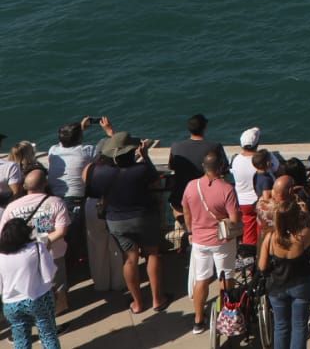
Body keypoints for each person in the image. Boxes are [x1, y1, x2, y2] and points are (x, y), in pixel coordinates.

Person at [85, 130, 165, 313]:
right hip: (144, 217)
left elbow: (94, 191)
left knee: (130, 260)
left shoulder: (100, 173)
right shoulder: (141, 169)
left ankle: (137, 303)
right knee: (152, 254)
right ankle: (157, 300)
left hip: (116, 220)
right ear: (132, 152)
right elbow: (153, 180)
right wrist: (145, 157)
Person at [181, 151, 241, 335]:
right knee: (226, 278)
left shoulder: (191, 186)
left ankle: (198, 320)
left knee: (201, 280)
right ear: (221, 167)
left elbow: (186, 212)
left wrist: (190, 231)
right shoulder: (227, 189)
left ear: (203, 167)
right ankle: (225, 315)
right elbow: (234, 219)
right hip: (222, 240)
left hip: (199, 241)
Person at [257, 188, 310, 349]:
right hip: (300, 284)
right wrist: (307, 217)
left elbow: (262, 266)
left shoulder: (271, 237)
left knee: (281, 326)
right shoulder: (303, 235)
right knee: (299, 326)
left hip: (277, 287)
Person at [3, 171, 68, 316]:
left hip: (23, 255)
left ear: (25, 186)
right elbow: (61, 230)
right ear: (45, 183)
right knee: (57, 287)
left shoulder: (12, 207)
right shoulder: (56, 202)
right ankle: (57, 318)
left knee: (30, 290)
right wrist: (44, 242)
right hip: (53, 253)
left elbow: (4, 233)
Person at [1, 214, 62, 349]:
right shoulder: (36, 247)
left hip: (10, 303)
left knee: (20, 339)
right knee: (48, 334)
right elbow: (49, 274)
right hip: (37, 297)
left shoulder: (1, 255)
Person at [46, 118, 99, 267]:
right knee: (75, 233)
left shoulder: (53, 150)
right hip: (74, 199)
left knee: (60, 232)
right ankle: (76, 264)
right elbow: (101, 156)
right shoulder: (87, 151)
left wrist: (79, 130)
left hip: (53, 198)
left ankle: (67, 264)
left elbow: (68, 144)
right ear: (79, 138)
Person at [167, 114, 225, 239]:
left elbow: (171, 166)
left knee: (176, 206)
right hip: (206, 196)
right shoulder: (214, 146)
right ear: (205, 128)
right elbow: (224, 169)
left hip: (180, 196)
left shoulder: (176, 146)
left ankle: (185, 228)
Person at [231, 129, 277, 252]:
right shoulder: (267, 158)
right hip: (260, 202)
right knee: (264, 230)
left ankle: (249, 258)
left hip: (243, 203)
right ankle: (263, 255)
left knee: (249, 233)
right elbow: (278, 169)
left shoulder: (236, 160)